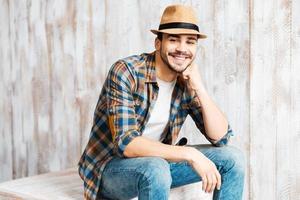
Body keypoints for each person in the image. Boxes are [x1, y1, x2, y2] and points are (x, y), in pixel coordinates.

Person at [78, 4, 245, 200]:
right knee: (155, 168)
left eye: (190, 42)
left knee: (233, 159)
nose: (182, 49)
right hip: (110, 170)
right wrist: (190, 154)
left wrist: (199, 87)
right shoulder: (126, 72)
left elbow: (221, 137)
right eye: (174, 40)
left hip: (158, 167)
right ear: (158, 43)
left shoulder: (186, 81)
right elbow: (127, 144)